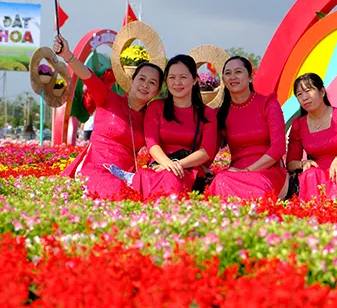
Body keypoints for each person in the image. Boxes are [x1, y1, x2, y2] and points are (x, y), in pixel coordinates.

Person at [56, 34, 163, 199]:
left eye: (152, 82)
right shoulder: (109, 99)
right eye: (141, 79)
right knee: (117, 190)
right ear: (131, 80)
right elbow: (88, 76)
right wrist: (67, 55)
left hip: (127, 176)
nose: (145, 85)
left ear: (157, 91)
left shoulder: (151, 117)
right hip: (94, 170)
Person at [127, 54, 218, 195]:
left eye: (183, 77)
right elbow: (152, 143)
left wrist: (176, 165)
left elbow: (207, 151)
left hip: (186, 170)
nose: (177, 82)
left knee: (171, 178)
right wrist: (166, 163)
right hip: (158, 167)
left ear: (195, 80)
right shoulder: (156, 107)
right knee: (143, 177)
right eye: (172, 77)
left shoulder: (207, 113)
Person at [208, 56, 288, 199]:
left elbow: (278, 148)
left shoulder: (268, 104)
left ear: (250, 77)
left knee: (257, 192)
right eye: (228, 73)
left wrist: (247, 170)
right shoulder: (220, 114)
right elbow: (209, 150)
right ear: (223, 80)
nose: (233, 77)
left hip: (267, 171)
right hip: (235, 174)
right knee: (220, 180)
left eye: (238, 72)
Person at [286, 73, 337, 200]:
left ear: (322, 91)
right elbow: (291, 163)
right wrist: (303, 164)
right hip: (316, 174)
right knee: (311, 174)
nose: (304, 97)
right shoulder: (299, 124)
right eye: (299, 94)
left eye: (308, 90)